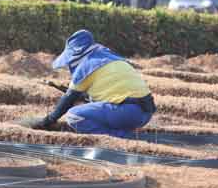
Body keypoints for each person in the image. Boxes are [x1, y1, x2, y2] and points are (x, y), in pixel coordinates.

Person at [20, 30, 156, 138]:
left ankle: (122, 138)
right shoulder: (109, 59)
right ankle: (125, 132)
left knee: (74, 116)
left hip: (127, 113)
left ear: (75, 55)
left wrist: (48, 121)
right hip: (144, 113)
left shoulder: (87, 66)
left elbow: (68, 98)